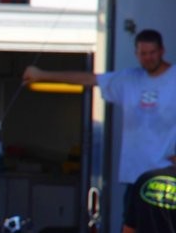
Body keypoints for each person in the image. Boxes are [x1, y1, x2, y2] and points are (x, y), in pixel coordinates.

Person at [23, 29, 176, 190]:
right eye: (143, 53)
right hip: (135, 176)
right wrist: (42, 75)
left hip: (167, 176)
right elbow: (89, 79)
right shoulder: (128, 79)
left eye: (152, 53)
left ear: (162, 51)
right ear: (136, 54)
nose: (148, 58)